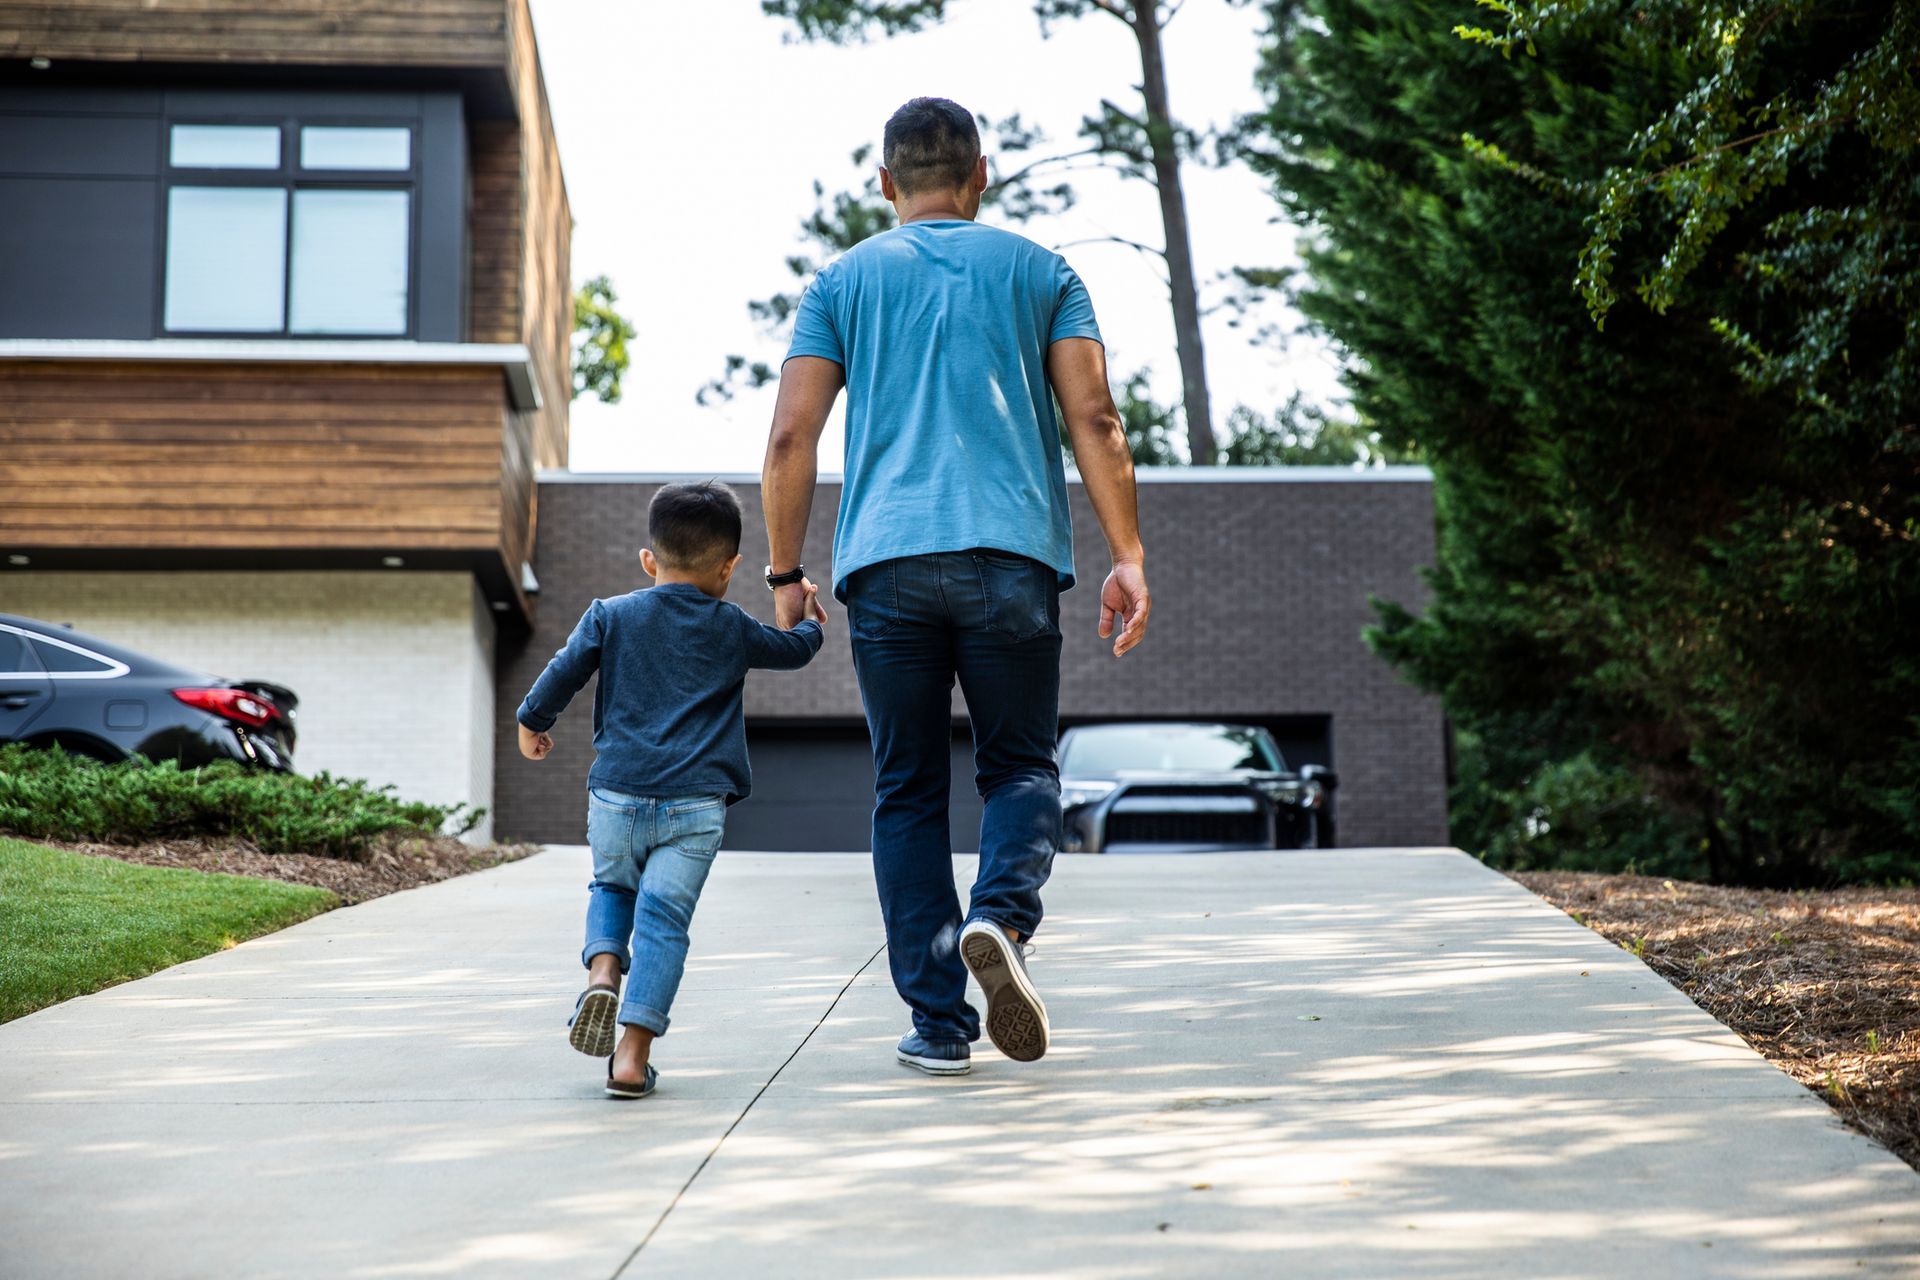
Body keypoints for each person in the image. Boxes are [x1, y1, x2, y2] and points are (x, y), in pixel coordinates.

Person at [760, 96, 1152, 1075]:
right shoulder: (1043, 272)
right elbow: (1096, 420)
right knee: (1020, 768)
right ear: (981, 175)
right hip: (1009, 559)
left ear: (885, 182)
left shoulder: (840, 282)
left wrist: (784, 571)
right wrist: (1128, 554)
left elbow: (791, 437)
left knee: (907, 791)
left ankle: (938, 1025)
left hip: (886, 566)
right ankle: (1001, 919)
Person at [515, 480, 826, 1098]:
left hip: (618, 794)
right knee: (664, 921)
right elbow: (791, 651)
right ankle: (631, 1059)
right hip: (695, 807)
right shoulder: (731, 626)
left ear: (648, 560)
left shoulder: (610, 615)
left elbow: (563, 670)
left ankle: (603, 972)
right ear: (729, 566)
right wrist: (811, 623)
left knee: (612, 886)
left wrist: (532, 722)